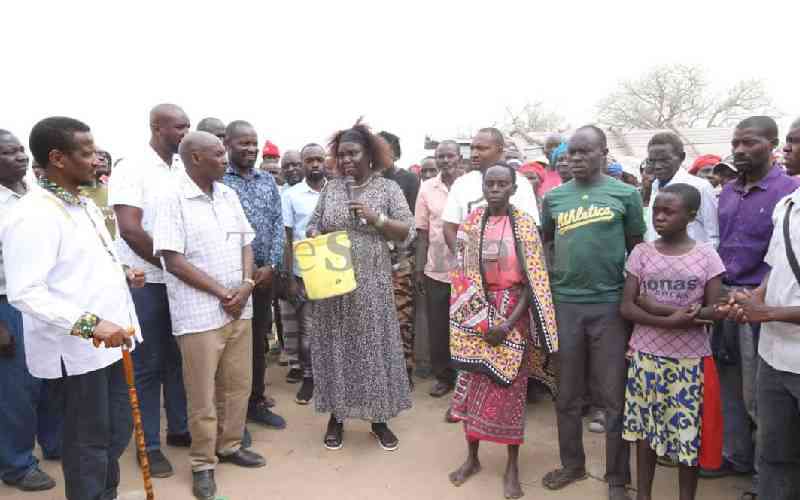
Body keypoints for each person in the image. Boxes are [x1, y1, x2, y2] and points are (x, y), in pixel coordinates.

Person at [3, 116, 145, 500]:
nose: (97, 160)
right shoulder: (33, 212)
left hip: (116, 341)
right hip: (79, 351)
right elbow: (25, 291)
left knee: (115, 434)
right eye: (87, 153)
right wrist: (89, 325)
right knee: (87, 444)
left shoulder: (82, 203)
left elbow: (84, 262)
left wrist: (122, 271)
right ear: (58, 158)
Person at [153, 131, 266, 500]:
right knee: (201, 395)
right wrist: (222, 293)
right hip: (200, 314)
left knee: (237, 385)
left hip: (239, 307)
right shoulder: (171, 198)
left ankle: (230, 445)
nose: (226, 159)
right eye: (218, 153)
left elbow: (246, 242)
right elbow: (172, 258)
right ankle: (203, 463)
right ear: (196, 158)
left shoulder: (228, 194)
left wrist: (246, 284)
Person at [540, 125, 645, 500]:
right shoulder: (554, 198)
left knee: (612, 395)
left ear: (603, 153)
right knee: (567, 393)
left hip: (609, 307)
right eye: (572, 153)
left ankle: (617, 476)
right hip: (566, 304)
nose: (576, 159)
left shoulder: (626, 194)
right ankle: (573, 464)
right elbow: (547, 241)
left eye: (585, 152)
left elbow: (636, 247)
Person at [447, 164, 558, 500]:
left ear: (513, 188)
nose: (495, 188)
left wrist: (507, 323)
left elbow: (532, 280)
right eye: (490, 183)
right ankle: (472, 458)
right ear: (483, 186)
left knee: (510, 390)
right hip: (474, 312)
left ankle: (512, 466)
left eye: (502, 184)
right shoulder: (470, 222)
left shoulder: (524, 224)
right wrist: (480, 318)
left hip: (513, 312)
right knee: (472, 385)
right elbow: (462, 275)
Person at [703, 117, 800, 497]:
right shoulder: (726, 191)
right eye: (735, 143)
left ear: (771, 145)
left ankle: (764, 481)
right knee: (730, 383)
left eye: (750, 143)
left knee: (760, 399)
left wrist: (758, 305)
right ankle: (737, 455)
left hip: (766, 308)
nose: (740, 150)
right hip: (734, 298)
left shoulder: (785, 189)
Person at [305, 121, 414, 451]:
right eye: (341, 155)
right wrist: (313, 234)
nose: (346, 159)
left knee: (371, 347)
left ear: (370, 154)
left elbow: (406, 232)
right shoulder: (331, 188)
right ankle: (336, 417)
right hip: (333, 283)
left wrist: (375, 218)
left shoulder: (388, 189)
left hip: (372, 282)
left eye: (353, 153)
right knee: (336, 347)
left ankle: (378, 418)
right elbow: (313, 222)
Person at [620, 183, 727, 500]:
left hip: (689, 362)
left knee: (687, 436)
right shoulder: (642, 253)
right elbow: (627, 307)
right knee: (644, 433)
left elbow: (715, 310)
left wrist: (659, 308)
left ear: (691, 215)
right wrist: (668, 320)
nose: (660, 218)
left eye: (669, 211)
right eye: (656, 211)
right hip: (646, 357)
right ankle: (644, 495)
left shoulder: (707, 256)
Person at [107, 103, 190, 478]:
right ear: (157, 127)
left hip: (178, 281)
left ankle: (179, 428)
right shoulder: (132, 168)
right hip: (146, 282)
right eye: (179, 127)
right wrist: (172, 265)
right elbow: (130, 229)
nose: (185, 133)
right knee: (146, 367)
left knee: (176, 358)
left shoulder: (180, 167)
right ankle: (148, 446)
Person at [726, 179, 800, 500]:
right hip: (773, 355)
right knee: (775, 454)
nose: (788, 147)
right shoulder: (787, 205)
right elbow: (778, 266)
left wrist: (766, 313)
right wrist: (754, 299)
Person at [0, 129, 61, 493]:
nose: (20, 156)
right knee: (16, 391)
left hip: (46, 300)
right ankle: (17, 463)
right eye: (8, 153)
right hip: (8, 303)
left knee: (50, 379)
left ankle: (54, 443)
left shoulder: (36, 194)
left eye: (20, 149)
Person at [221, 121, 286, 430]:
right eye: (242, 143)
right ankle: (232, 415)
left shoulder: (267, 181)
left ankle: (256, 401)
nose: (249, 149)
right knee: (232, 345)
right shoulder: (218, 180)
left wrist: (271, 265)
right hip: (229, 276)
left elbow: (277, 224)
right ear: (227, 145)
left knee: (258, 339)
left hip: (262, 276)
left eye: (253, 143)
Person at [414, 140, 463, 399]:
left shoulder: (472, 185)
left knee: (466, 325)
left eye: (449, 156)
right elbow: (422, 233)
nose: (445, 161)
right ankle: (444, 377)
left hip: (469, 270)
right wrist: (420, 269)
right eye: (440, 156)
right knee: (439, 326)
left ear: (459, 158)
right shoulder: (426, 189)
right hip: (436, 268)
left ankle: (468, 375)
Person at [443, 127, 540, 256]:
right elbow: (449, 227)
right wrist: (462, 260)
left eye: (482, 149)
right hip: (472, 267)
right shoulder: (461, 184)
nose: (474, 154)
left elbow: (532, 228)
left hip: (512, 267)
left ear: (500, 150)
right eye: (472, 148)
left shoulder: (521, 183)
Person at [280, 142, 327, 404]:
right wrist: (289, 277)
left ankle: (332, 380)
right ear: (304, 163)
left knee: (334, 329)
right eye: (310, 160)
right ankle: (309, 379)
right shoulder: (291, 195)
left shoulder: (338, 192)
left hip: (334, 272)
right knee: (307, 332)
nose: (315, 164)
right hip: (303, 273)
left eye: (319, 159)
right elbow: (287, 238)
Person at [378, 130, 420, 386]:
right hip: (372, 258)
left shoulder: (409, 180)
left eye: (384, 149)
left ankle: (405, 371)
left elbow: (411, 223)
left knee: (402, 316)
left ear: (394, 151)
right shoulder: (368, 181)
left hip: (401, 257)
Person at [643, 133, 719, 248]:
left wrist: (701, 262)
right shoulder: (654, 187)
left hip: (693, 262)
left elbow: (713, 235)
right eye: (652, 161)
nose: (657, 166)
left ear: (681, 157)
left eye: (664, 160)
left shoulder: (700, 187)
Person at [81, 147, 116, 237]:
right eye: (96, 154)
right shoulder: (71, 194)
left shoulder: (113, 191)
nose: (103, 158)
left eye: (105, 156)